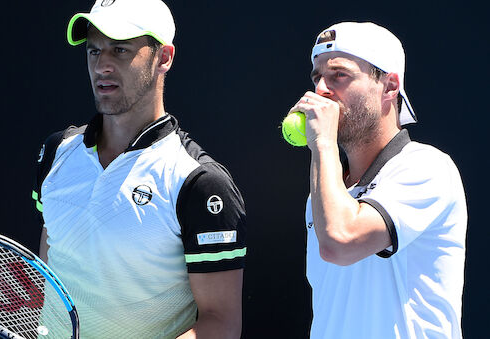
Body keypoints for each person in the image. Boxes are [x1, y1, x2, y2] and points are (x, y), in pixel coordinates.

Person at [31, 0, 246, 338]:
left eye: (119, 50)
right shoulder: (56, 153)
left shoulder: (200, 183)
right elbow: (52, 260)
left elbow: (221, 322)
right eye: (93, 50)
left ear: (164, 57)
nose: (102, 65)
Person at [288, 22, 467, 338]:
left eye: (339, 75)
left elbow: (340, 240)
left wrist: (323, 143)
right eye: (317, 77)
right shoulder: (325, 191)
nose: (320, 91)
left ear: (390, 86)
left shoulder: (428, 167)